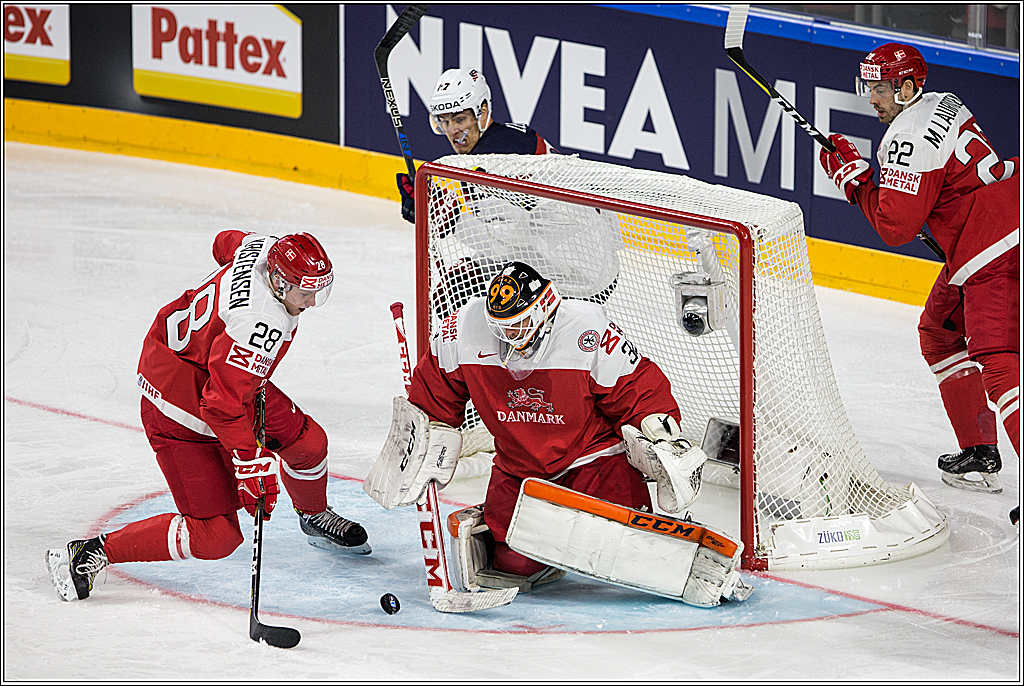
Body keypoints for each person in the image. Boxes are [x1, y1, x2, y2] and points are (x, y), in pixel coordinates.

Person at [363, 262, 753, 607]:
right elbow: (433, 395)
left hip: (592, 460)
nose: (508, 333)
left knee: (630, 548)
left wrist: (661, 436)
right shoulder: (464, 330)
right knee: (511, 566)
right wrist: (420, 439)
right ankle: (544, 549)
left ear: (544, 311)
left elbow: (639, 388)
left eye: (518, 323)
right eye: (501, 325)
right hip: (520, 468)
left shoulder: (586, 331)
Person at [46, 231, 370, 602]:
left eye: (319, 291)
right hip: (176, 410)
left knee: (309, 445)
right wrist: (249, 462)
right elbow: (220, 406)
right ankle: (91, 552)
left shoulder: (262, 248)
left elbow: (222, 243)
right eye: (304, 292)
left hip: (212, 374)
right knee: (216, 537)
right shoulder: (260, 324)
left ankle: (313, 516)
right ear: (279, 281)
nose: (311, 302)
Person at [818, 43, 1019, 524]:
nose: (872, 98)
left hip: (995, 250)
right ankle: (979, 453)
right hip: (995, 226)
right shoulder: (945, 102)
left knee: (998, 359)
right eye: (868, 87)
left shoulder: (906, 137)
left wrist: (854, 182)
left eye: (881, 89)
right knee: (939, 332)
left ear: (908, 88)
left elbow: (895, 227)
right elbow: (947, 186)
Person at [395, 67, 555, 224]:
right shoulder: (484, 150)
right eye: (444, 121)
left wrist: (452, 221)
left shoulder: (504, 156)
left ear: (482, 113)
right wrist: (441, 215)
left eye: (459, 119)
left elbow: (512, 235)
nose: (452, 131)